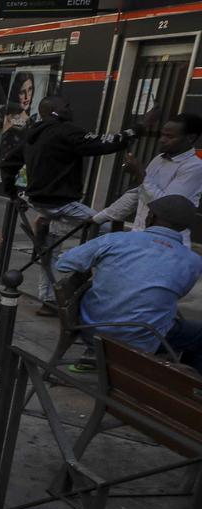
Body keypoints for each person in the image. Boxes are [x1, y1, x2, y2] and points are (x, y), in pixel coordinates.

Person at [58, 194, 202, 373]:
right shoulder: (193, 261)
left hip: (91, 330)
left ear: (152, 217)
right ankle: (189, 390)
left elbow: (63, 263)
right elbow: (178, 292)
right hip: (142, 337)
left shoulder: (117, 240)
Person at [18, 97, 134, 315]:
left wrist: (13, 192)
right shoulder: (65, 131)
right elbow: (101, 144)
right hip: (60, 203)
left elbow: (11, 160)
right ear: (54, 112)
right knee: (114, 233)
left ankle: (50, 299)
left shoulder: (34, 132)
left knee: (50, 251)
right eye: (66, 106)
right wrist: (133, 132)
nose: (70, 109)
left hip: (42, 203)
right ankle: (80, 278)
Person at [93, 113, 202, 244]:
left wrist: (139, 173)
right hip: (140, 236)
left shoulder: (194, 167)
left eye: (169, 136)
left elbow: (167, 209)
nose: (162, 140)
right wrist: (99, 218)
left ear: (190, 138)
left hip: (165, 243)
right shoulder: (159, 159)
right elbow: (136, 195)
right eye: (162, 134)